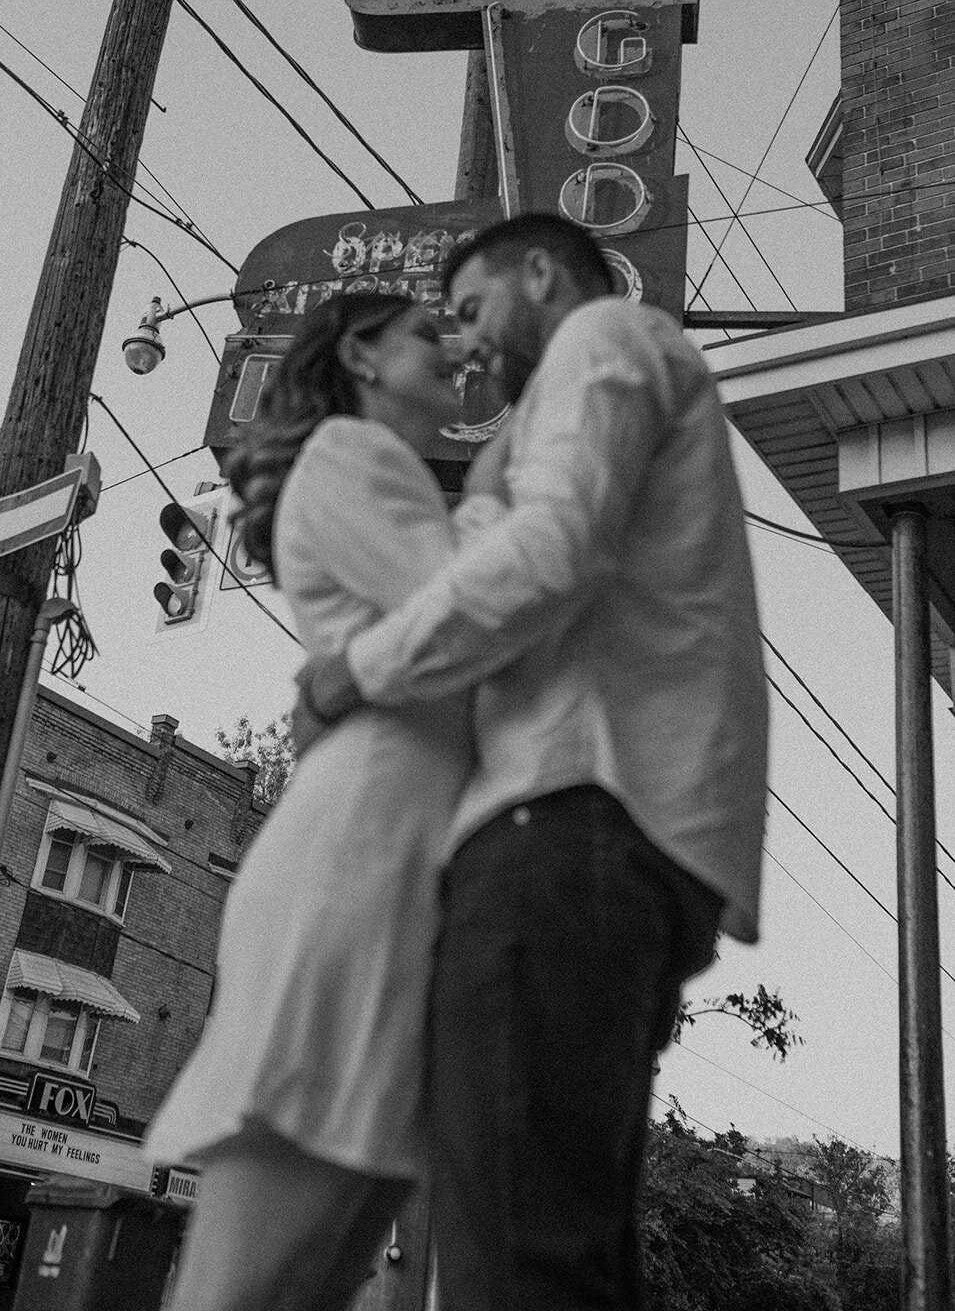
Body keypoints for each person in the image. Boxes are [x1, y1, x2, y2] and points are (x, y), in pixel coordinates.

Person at [295, 212, 770, 1311]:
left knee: (512, 1261)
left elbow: (551, 549)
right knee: (563, 1254)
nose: (462, 345)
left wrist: (354, 671)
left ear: (541, 275)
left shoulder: (599, 336)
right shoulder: (594, 390)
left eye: (469, 310)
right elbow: (524, 549)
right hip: (619, 839)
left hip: (563, 825)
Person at [144, 291, 505, 1311]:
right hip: (362, 857)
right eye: (426, 335)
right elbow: (475, 612)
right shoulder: (354, 454)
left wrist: (338, 677)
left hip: (400, 858)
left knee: (308, 1276)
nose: (455, 354)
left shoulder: (371, 471)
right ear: (360, 351)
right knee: (248, 1284)